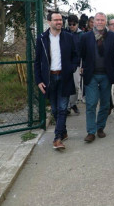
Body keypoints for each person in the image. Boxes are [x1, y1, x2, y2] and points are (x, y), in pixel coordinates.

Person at [34, 11, 79, 150]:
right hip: (49, 78)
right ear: (49, 22)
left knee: (62, 108)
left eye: (60, 20)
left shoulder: (68, 37)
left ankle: (57, 138)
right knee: (54, 109)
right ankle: (63, 131)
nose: (59, 22)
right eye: (56, 20)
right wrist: (38, 80)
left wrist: (71, 68)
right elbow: (37, 62)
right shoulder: (42, 38)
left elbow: (76, 56)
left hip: (64, 77)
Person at [79, 12, 114, 142]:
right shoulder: (85, 37)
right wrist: (82, 66)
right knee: (91, 103)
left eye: (102, 20)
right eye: (98, 20)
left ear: (105, 22)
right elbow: (82, 54)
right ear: (94, 22)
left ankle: (100, 127)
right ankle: (91, 132)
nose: (100, 22)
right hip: (91, 75)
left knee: (105, 104)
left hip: (107, 75)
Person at [66, 14, 83, 115]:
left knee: (76, 85)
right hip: (65, 63)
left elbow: (84, 51)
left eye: (74, 24)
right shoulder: (64, 32)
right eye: (70, 24)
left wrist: (82, 65)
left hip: (76, 63)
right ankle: (67, 106)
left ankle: (73, 103)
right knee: (66, 85)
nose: (72, 26)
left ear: (77, 24)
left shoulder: (82, 35)